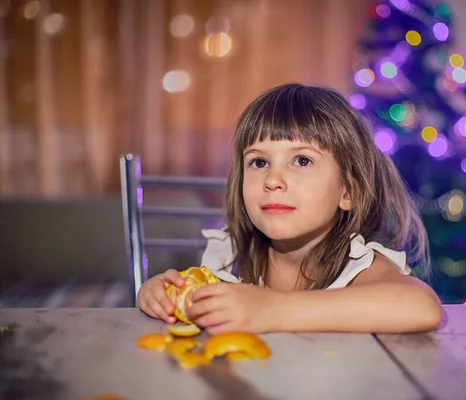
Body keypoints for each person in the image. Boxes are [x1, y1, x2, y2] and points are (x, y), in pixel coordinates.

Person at [136, 83, 442, 334]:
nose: (273, 180)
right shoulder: (232, 258)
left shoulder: (357, 265)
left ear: (348, 191)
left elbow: (421, 306)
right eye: (259, 162)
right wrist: (159, 295)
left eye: (302, 160)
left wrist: (272, 310)